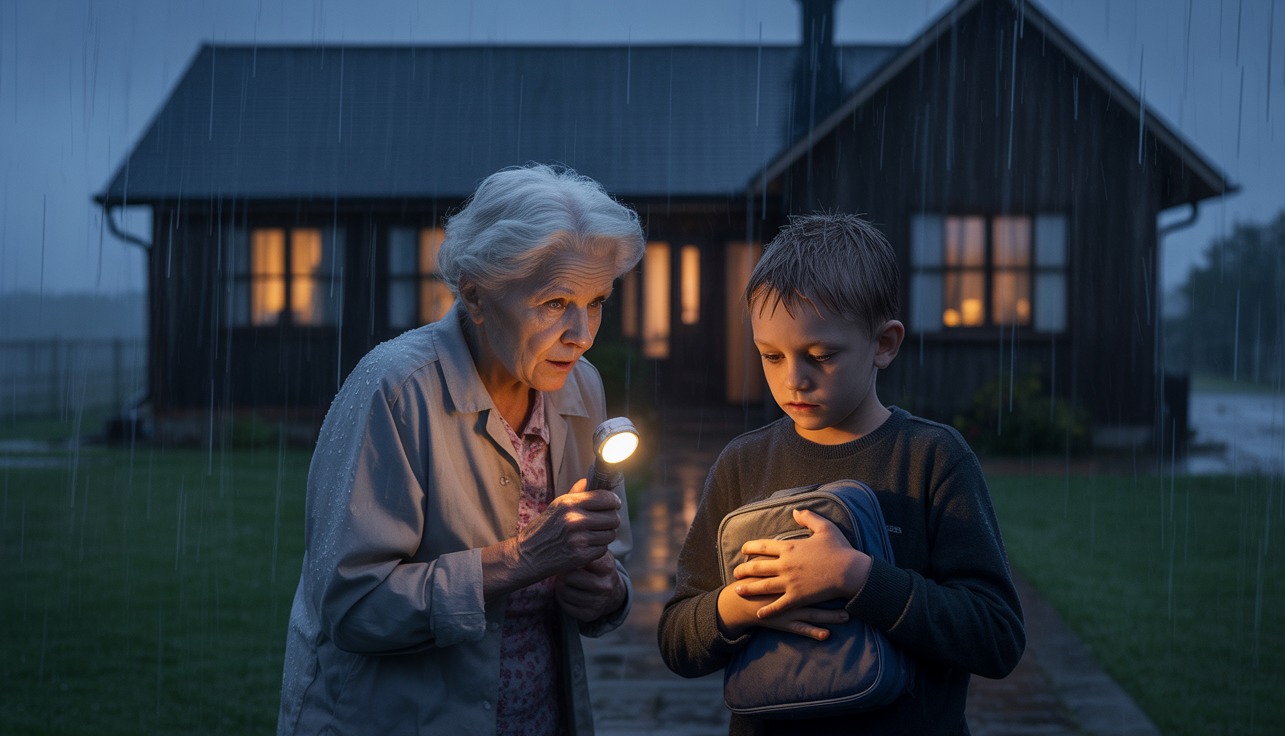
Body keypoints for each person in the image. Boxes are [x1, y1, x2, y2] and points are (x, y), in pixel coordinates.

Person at [278, 163, 646, 736]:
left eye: (596, 301)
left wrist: (606, 592)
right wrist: (522, 558)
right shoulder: (395, 390)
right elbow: (352, 608)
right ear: (476, 295)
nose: (582, 334)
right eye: (555, 302)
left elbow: (607, 563)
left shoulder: (580, 385)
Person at [657, 213, 1025, 735]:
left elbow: (997, 637)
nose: (794, 379)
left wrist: (857, 578)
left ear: (885, 343)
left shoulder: (931, 458)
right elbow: (676, 639)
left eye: (821, 355)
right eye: (770, 356)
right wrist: (738, 606)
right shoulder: (742, 463)